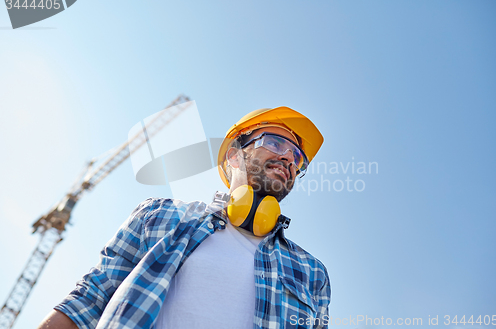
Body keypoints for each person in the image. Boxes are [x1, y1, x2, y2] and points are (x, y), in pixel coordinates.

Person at [37, 107, 331, 329]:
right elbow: (87, 302)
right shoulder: (158, 215)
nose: (289, 159)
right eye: (276, 143)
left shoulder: (312, 273)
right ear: (233, 156)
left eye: (297, 157)